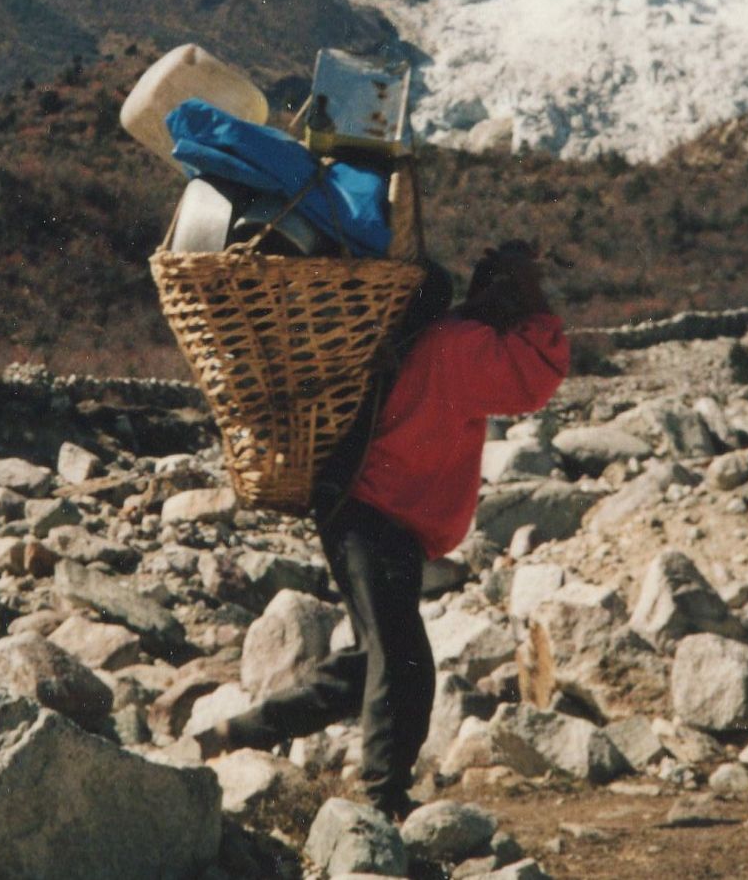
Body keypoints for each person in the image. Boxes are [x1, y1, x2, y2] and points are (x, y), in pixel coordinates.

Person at [192, 241, 568, 820]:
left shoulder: (439, 340)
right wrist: (535, 301)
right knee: (404, 659)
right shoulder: (457, 349)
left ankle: (237, 734)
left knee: (373, 659)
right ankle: (383, 799)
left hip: (361, 514)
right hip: (377, 517)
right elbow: (533, 375)